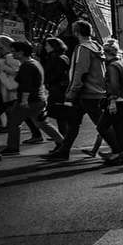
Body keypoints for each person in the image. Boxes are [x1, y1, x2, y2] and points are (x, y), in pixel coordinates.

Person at [43, 20, 111, 161]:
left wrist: (72, 92)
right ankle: (64, 151)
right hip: (94, 90)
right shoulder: (96, 46)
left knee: (99, 124)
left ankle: (118, 149)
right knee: (74, 123)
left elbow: (80, 72)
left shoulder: (83, 48)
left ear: (76, 32)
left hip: (86, 92)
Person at [0, 41, 64, 156]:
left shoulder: (27, 66)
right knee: (42, 123)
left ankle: (13, 147)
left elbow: (26, 85)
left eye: (14, 52)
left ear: (21, 52)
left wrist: (24, 100)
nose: (12, 54)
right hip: (38, 99)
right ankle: (62, 143)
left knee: (14, 122)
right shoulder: (33, 63)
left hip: (30, 100)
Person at [95, 39, 123, 165]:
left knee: (102, 126)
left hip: (117, 101)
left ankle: (117, 152)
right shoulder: (121, 63)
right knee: (118, 129)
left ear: (106, 53)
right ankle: (121, 155)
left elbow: (114, 85)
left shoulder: (112, 66)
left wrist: (112, 101)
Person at [41, 37, 70, 140]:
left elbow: (56, 74)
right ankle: (62, 134)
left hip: (57, 88)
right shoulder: (63, 57)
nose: (45, 47)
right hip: (61, 88)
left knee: (58, 112)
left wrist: (47, 81)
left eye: (47, 45)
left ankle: (62, 136)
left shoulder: (55, 58)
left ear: (53, 46)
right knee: (60, 113)